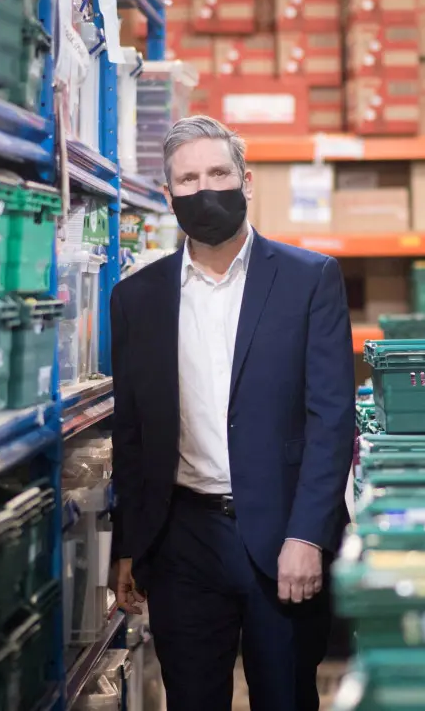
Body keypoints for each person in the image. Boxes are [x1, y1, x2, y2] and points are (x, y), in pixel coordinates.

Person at [108, 115, 355, 711]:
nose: (204, 189)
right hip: (180, 539)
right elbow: (133, 433)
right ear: (168, 196)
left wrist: (308, 536)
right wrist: (128, 545)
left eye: (218, 172)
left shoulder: (309, 279)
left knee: (286, 697)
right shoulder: (136, 298)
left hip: (281, 533)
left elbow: (332, 420)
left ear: (247, 181)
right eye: (187, 179)